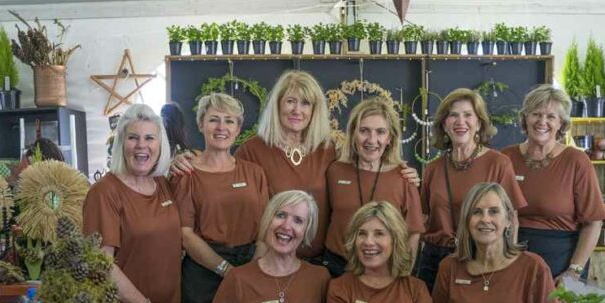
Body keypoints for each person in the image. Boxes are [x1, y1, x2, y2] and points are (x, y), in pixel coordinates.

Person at [174, 70, 420, 265]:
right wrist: (186, 160)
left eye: (305, 103)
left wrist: (400, 171)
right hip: (269, 260)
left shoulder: (327, 149)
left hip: (320, 262)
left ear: (315, 110)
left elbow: (363, 173)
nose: (297, 110)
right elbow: (222, 177)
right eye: (290, 101)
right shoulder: (253, 150)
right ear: (278, 105)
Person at [172, 93, 269, 303]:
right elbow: (185, 234)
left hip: (249, 264)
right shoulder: (186, 173)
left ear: (238, 129)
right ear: (201, 124)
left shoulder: (254, 173)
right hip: (203, 269)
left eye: (229, 121)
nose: (221, 128)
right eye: (214, 119)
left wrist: (251, 271)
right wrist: (225, 269)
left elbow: (264, 228)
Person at [83, 104, 181, 303]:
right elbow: (101, 265)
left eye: (150, 138)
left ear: (160, 144)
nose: (142, 146)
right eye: (133, 138)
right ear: (121, 144)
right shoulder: (105, 192)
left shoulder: (163, 185)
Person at [199, 190, 330, 303]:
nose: (287, 226)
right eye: (281, 215)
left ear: (306, 230)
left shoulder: (318, 278)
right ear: (268, 220)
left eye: (298, 220)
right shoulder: (238, 277)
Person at [418, 88, 527, 292]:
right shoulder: (433, 168)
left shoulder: (499, 164)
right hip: (434, 261)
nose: (460, 122)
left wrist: (505, 263)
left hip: (480, 257)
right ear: (444, 124)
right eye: (453, 115)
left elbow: (511, 219)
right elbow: (423, 218)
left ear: (479, 124)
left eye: (468, 115)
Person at [433, 183, 554, 303]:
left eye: (494, 211)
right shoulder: (449, 267)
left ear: (509, 220)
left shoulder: (534, 268)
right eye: (476, 212)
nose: (485, 219)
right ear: (467, 221)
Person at [501, 85, 605, 280]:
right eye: (536, 114)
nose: (542, 122)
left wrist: (573, 271)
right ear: (525, 118)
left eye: (551, 117)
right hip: (509, 259)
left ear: (561, 124)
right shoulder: (505, 158)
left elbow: (593, 223)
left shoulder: (576, 161)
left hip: (561, 264)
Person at [323, 97, 424, 277]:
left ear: (390, 138)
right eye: (364, 131)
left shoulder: (403, 177)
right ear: (353, 133)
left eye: (380, 132)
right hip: (336, 267)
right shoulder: (335, 171)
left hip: (384, 270)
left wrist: (403, 275)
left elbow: (413, 233)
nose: (372, 139)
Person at [327, 201, 433, 303]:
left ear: (395, 240)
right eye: (362, 233)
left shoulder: (417, 289)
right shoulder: (339, 288)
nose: (368, 242)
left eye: (379, 233)